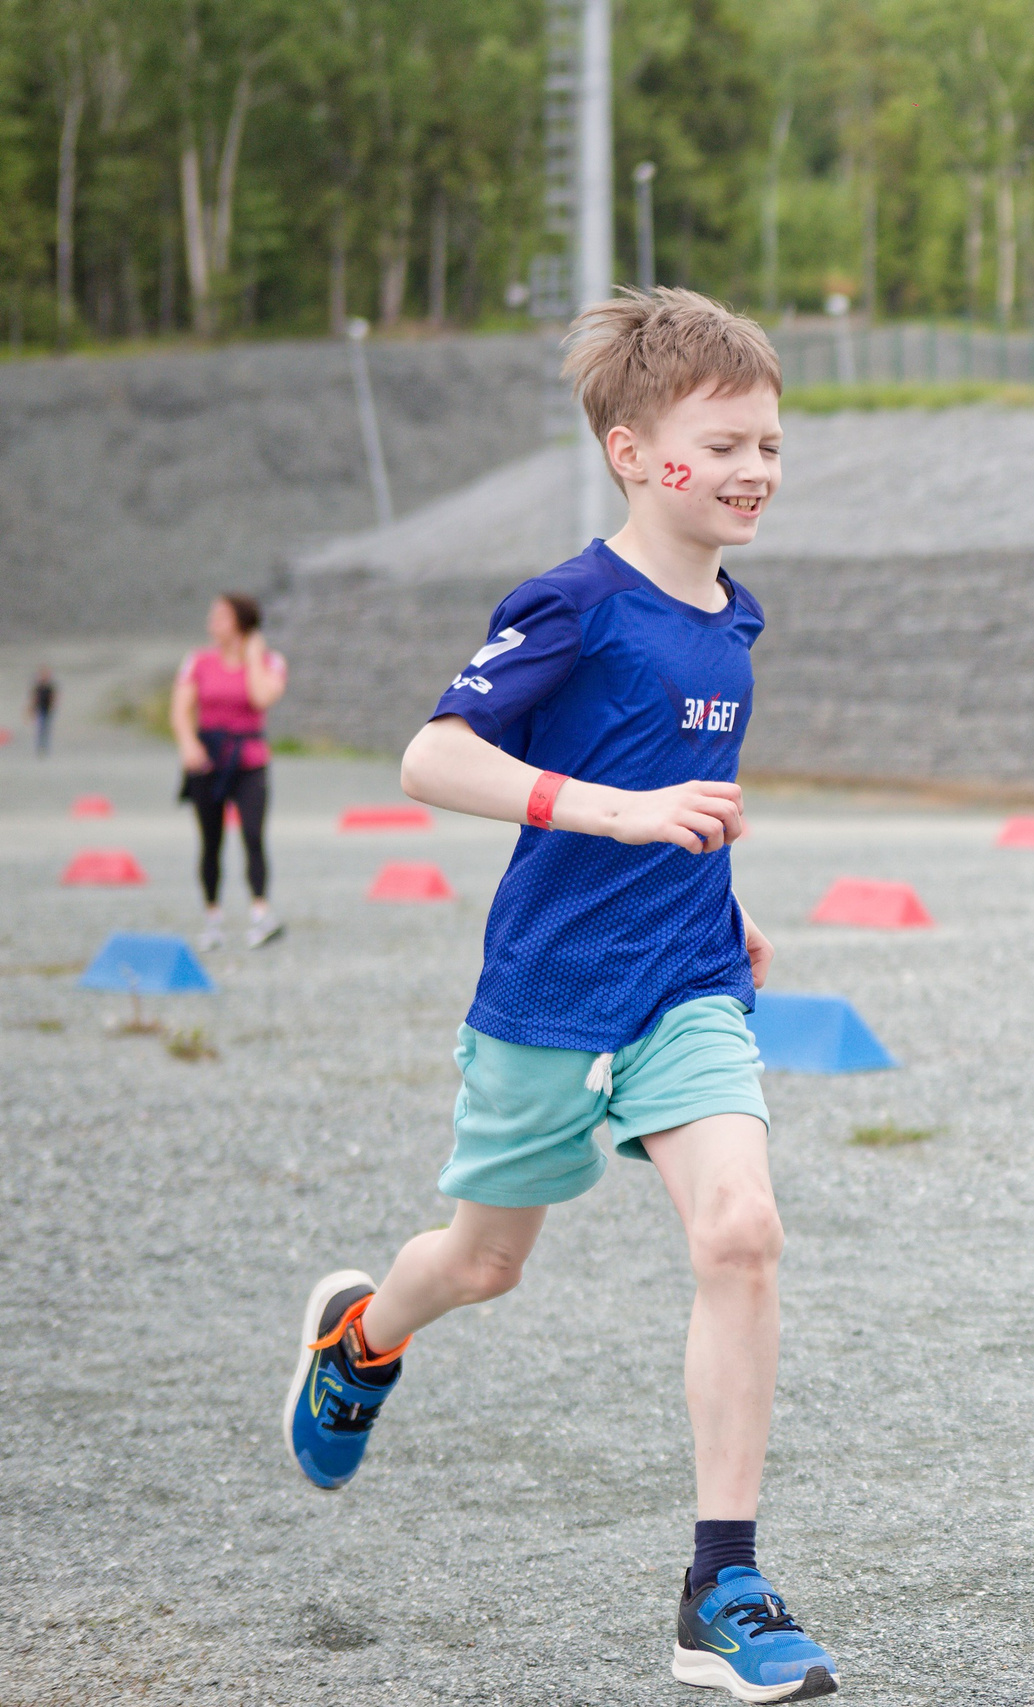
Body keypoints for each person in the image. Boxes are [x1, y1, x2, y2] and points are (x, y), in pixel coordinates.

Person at [280, 287, 836, 1704]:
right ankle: (362, 1337)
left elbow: (677, 790)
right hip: (548, 993)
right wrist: (612, 812)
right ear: (633, 452)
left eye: (771, 443)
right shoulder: (572, 605)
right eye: (726, 445)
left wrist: (720, 896)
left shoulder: (735, 615)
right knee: (483, 1265)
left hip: (686, 982)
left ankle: (723, 1586)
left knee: (744, 1231)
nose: (756, 470)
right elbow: (432, 757)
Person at [173, 595, 287, 948]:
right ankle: (213, 917)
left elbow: (261, 698)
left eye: (221, 616)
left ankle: (260, 913)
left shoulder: (271, 662)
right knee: (211, 841)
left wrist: (252, 657)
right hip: (208, 758)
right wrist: (188, 745)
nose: (213, 622)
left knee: (253, 834)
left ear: (241, 621)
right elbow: (180, 710)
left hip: (249, 759)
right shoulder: (197, 661)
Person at [28, 667, 55, 755]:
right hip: (40, 710)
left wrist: (52, 707)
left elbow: (52, 698)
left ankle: (45, 747)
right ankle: (40, 747)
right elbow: (34, 699)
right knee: (40, 728)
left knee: (46, 729)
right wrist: (31, 709)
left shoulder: (49, 687)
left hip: (47, 710)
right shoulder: (38, 687)